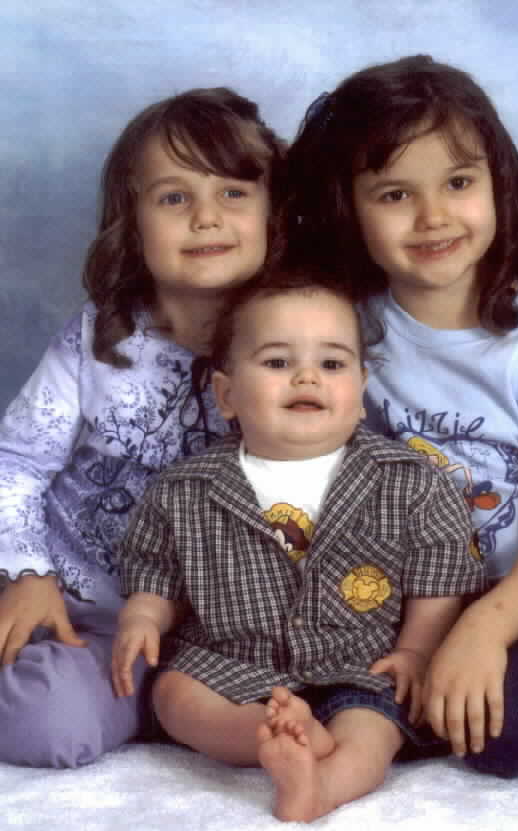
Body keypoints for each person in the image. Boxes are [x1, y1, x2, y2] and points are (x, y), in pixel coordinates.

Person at [112, 270, 486, 823]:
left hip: (363, 665)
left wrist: (416, 653)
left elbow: (440, 579)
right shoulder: (185, 487)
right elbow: (155, 571)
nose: (306, 376)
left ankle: (322, 783)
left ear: (361, 392)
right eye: (278, 362)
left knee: (374, 729)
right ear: (227, 394)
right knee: (175, 696)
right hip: (232, 661)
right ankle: (266, 735)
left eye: (332, 364)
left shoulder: (411, 482)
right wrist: (143, 615)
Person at [282, 54, 518, 777]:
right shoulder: (346, 328)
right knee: (318, 671)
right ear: (349, 207)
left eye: (459, 183)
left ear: (498, 183)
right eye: (396, 193)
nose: (434, 216)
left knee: (505, 727)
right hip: (414, 603)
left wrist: (483, 630)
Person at [0, 86, 285, 768]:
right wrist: (28, 573)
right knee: (49, 726)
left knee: (291, 713)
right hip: (83, 613)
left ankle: (161, 709)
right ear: (133, 221)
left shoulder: (302, 337)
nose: (205, 217)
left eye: (234, 193)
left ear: (277, 212)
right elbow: (17, 462)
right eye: (173, 198)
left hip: (226, 633)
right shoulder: (100, 339)